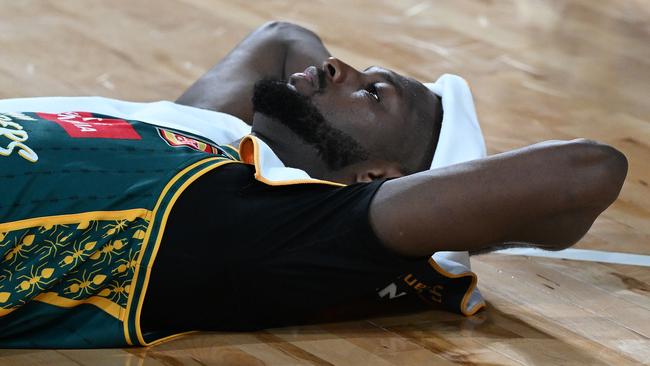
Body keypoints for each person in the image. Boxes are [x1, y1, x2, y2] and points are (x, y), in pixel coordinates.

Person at [0, 22, 627, 348]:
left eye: (372, 93)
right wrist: (328, 116)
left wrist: (447, 227)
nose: (337, 67)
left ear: (377, 180)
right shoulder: (204, 128)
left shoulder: (265, 226)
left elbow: (587, 171)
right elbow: (281, 37)